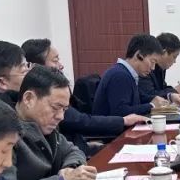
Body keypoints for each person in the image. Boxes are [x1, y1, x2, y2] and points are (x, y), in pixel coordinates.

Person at [19, 37, 147, 141]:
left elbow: (66, 148)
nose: (61, 66)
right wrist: (124, 120)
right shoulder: (37, 115)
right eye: (55, 60)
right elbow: (79, 121)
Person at [2, 66, 97, 180]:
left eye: (64, 109)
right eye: (55, 107)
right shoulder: (2, 132)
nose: (61, 117)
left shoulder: (42, 124)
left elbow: (73, 151)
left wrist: (70, 168)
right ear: (28, 99)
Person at [92, 34, 170, 118]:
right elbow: (121, 112)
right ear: (139, 55)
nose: (153, 68)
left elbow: (140, 98)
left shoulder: (126, 73)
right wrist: (152, 106)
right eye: (152, 62)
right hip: (111, 127)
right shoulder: (120, 76)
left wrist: (167, 97)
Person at [141, 33, 180, 107]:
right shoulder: (147, 67)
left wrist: (173, 91)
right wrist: (174, 91)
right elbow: (150, 94)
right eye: (174, 57)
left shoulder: (161, 68)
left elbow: (161, 88)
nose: (175, 61)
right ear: (164, 52)